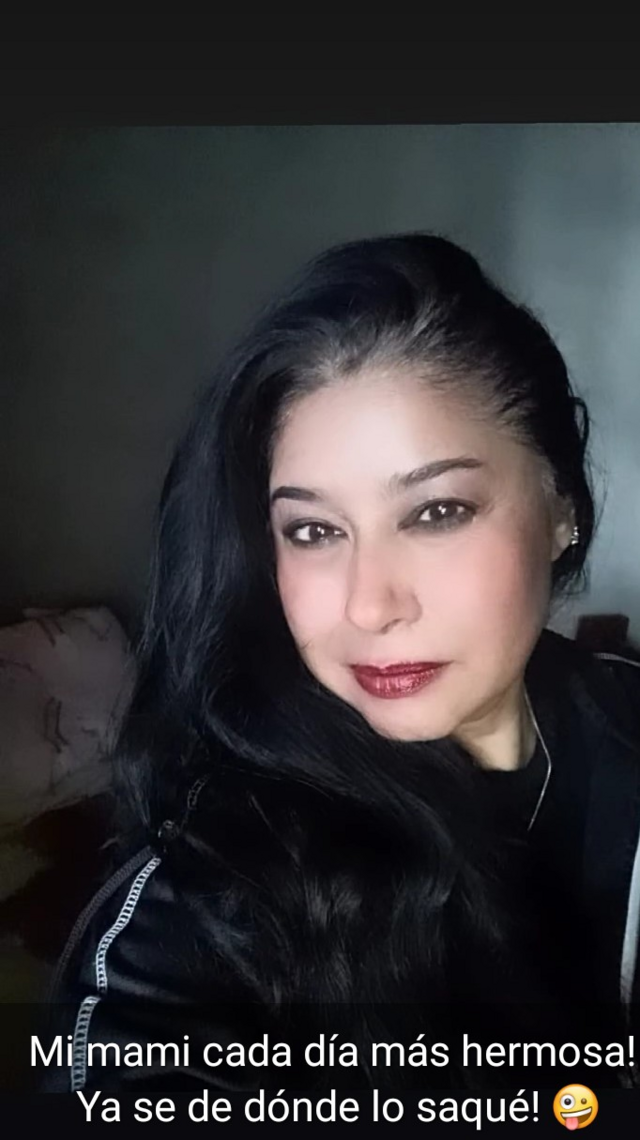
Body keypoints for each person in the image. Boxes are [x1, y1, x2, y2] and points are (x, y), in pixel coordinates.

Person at [42, 234, 640, 1096]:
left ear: (561, 510)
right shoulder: (204, 905)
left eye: (435, 512)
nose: (368, 605)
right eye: (315, 531)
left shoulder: (622, 722)